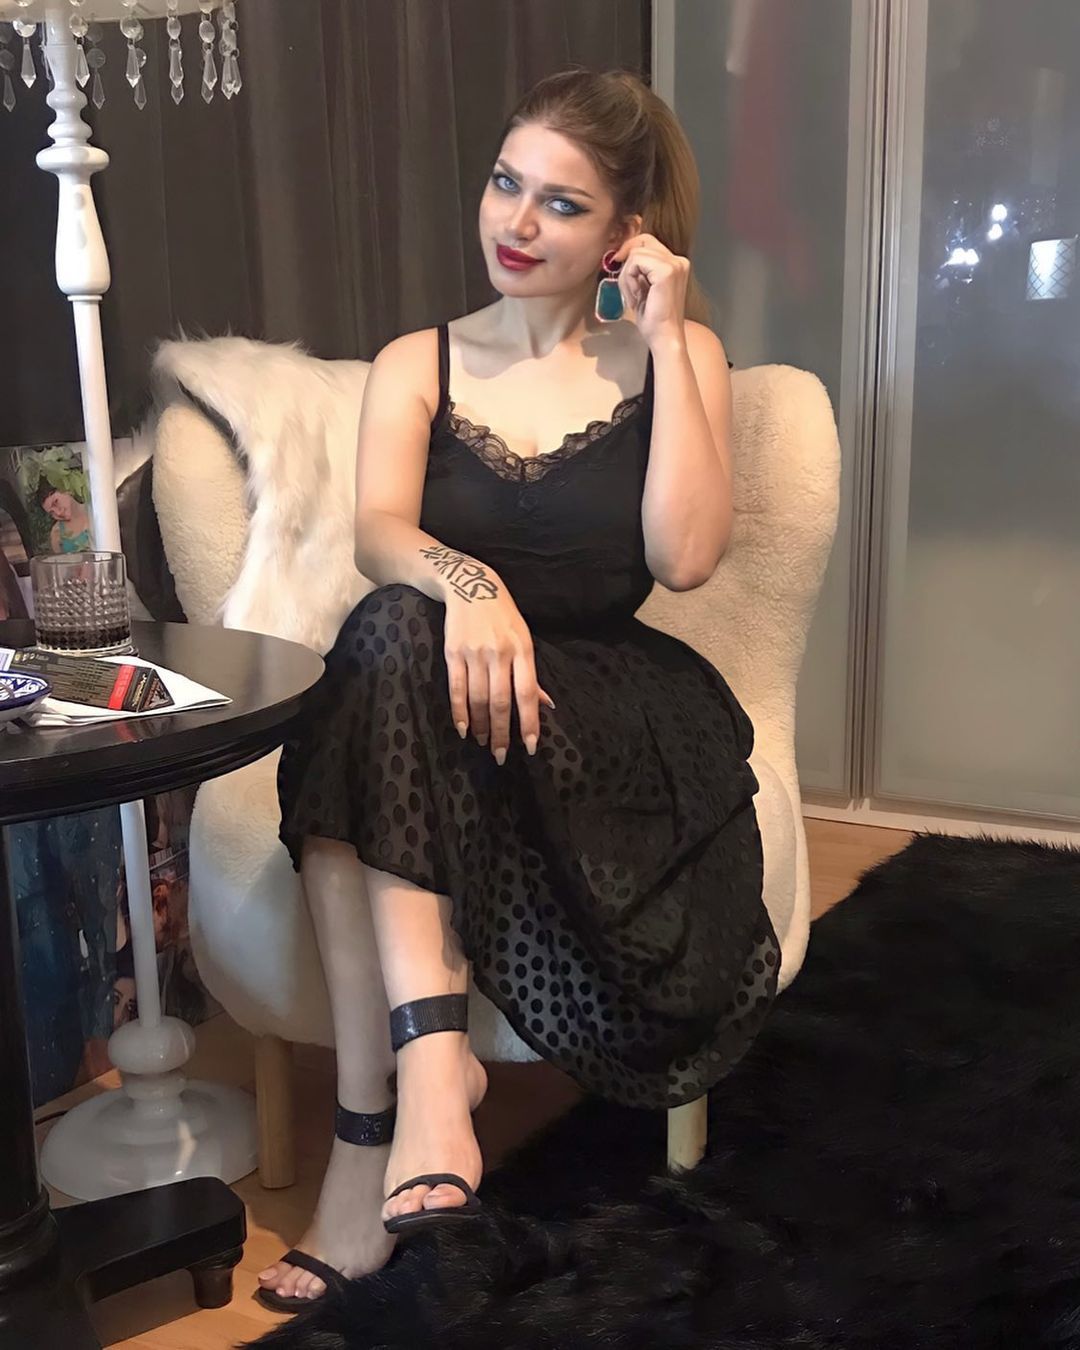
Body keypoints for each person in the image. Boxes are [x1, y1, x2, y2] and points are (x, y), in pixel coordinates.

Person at [259, 67, 779, 1310]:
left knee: (356, 737)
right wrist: (474, 586)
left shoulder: (676, 355)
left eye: (562, 203)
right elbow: (380, 532)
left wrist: (665, 337)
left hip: (602, 711)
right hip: (437, 682)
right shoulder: (419, 360)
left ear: (625, 234)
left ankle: (374, 1143)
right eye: (507, 183)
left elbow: (685, 559)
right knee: (391, 633)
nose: (518, 222)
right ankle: (431, 1076)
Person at [36, 483, 92, 554]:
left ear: (66, 491)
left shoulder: (96, 512)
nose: (58, 513)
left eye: (56, 502)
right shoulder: (57, 533)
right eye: (52, 513)